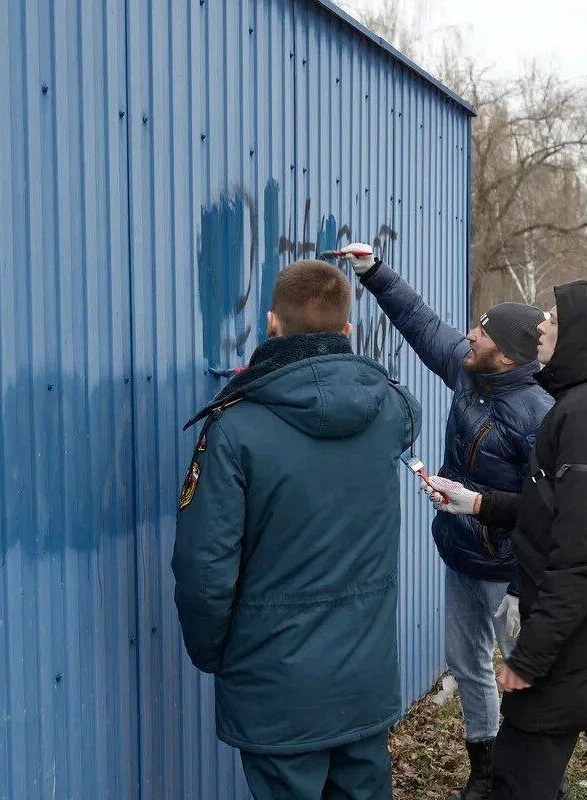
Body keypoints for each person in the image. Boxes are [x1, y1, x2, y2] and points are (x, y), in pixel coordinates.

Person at [173, 259, 421, 800]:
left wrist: (216, 654)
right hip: (363, 681)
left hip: (276, 687)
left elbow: (203, 568)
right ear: (348, 332)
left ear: (270, 324)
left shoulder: (234, 428)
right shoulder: (389, 411)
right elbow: (411, 412)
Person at [422, 279, 587, 800]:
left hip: (575, 639)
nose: (544, 326)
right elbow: (563, 511)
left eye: (557, 321)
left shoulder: (583, 416)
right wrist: (476, 503)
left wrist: (529, 658)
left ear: (586, 337)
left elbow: (584, 552)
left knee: (518, 777)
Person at [334, 244, 557, 800]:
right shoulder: (468, 371)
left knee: (526, 679)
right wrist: (373, 271)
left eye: (482, 333)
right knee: (466, 663)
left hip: (509, 574)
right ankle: (484, 769)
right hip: (460, 553)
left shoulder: (540, 417)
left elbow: (552, 510)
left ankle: (538, 781)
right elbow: (419, 321)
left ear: (506, 357)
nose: (469, 336)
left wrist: (518, 586)